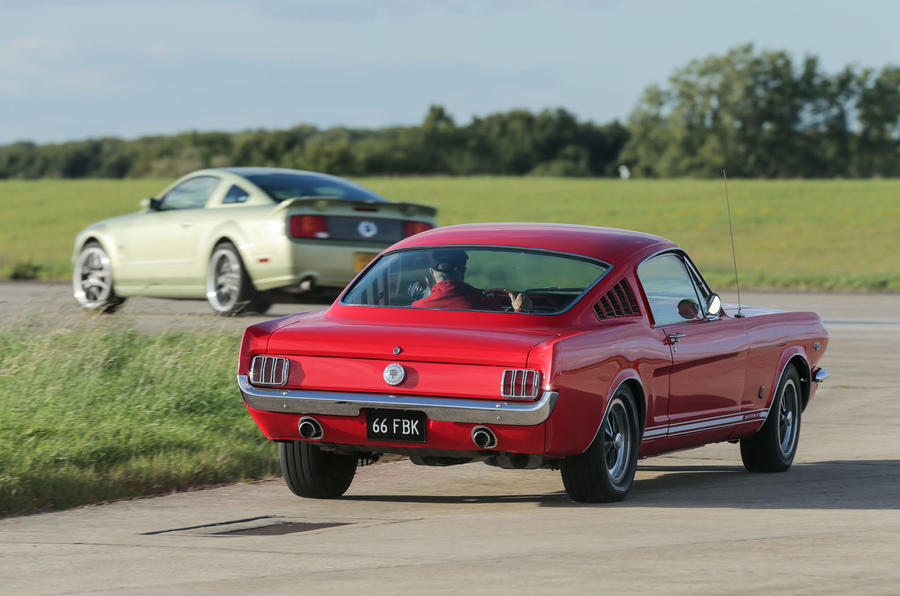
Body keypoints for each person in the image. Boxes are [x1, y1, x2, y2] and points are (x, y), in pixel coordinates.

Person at [411, 249, 531, 311]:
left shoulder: (417, 308)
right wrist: (520, 310)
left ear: (432, 273)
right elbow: (507, 339)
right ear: (463, 271)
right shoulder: (484, 305)